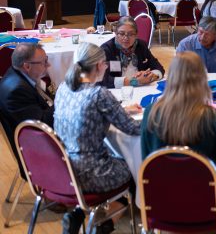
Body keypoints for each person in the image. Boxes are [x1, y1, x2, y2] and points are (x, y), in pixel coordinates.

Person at [54, 43, 141, 234]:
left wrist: (119, 110)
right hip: (92, 171)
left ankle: (79, 215)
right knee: (135, 169)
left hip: (64, 168)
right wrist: (158, 116)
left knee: (119, 157)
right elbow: (133, 128)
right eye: (105, 64)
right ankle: (105, 226)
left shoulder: (63, 88)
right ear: (99, 65)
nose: (107, 67)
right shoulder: (99, 94)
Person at [141, 52, 216, 194]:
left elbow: (146, 161)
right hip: (205, 199)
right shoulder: (211, 117)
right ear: (202, 78)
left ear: (170, 77)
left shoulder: (150, 113)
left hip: (161, 199)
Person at [0, 44, 54, 177]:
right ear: (27, 66)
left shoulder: (16, 75)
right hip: (39, 155)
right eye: (44, 62)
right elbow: (42, 125)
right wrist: (63, 101)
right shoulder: (17, 91)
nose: (48, 65)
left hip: (38, 141)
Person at [100, 17, 164, 89]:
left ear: (136, 35)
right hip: (117, 91)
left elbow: (158, 67)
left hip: (141, 89)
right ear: (116, 33)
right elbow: (100, 79)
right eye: (121, 34)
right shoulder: (107, 49)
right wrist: (134, 81)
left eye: (130, 34)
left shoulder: (141, 46)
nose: (126, 38)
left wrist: (150, 76)